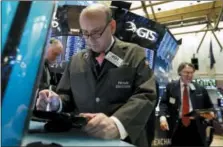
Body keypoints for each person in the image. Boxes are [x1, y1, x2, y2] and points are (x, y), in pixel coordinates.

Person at [36, 3, 157, 147]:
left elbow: (145, 94)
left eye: (96, 32)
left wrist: (117, 124)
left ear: (112, 26)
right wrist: (56, 103)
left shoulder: (134, 54)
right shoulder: (75, 60)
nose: (90, 39)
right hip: (81, 140)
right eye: (85, 33)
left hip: (123, 141)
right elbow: (66, 95)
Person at [159, 62, 215, 147]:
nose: (189, 75)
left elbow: (210, 107)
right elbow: (164, 103)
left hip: (196, 126)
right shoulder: (171, 87)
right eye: (186, 72)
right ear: (180, 73)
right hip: (176, 125)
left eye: (191, 72)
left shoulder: (200, 89)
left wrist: (209, 113)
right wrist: (162, 118)